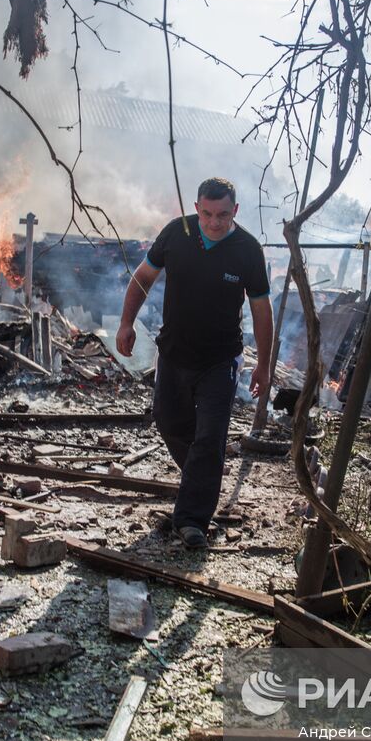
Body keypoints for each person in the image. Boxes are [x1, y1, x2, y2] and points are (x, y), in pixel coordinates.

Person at [116, 177, 273, 549]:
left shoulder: (248, 250)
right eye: (206, 213)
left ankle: (191, 521)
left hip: (220, 360)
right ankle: (202, 480)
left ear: (235, 211)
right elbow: (143, 278)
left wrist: (264, 365)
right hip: (174, 353)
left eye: (222, 214)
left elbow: (262, 309)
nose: (214, 222)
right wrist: (126, 323)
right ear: (196, 208)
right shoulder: (177, 234)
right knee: (169, 422)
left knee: (209, 436)